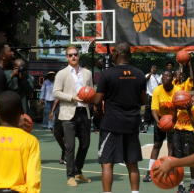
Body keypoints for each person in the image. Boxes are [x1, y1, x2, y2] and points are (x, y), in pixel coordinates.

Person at [94, 41, 146, 193]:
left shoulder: (108, 74)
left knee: (107, 163)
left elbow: (97, 100)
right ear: (129, 54)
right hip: (132, 124)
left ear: (115, 54)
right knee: (132, 163)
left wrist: (98, 109)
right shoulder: (139, 74)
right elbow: (143, 100)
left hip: (111, 124)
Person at [53, 46, 93, 187]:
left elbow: (91, 91)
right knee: (70, 146)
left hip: (83, 112)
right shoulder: (61, 74)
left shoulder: (87, 73)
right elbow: (56, 92)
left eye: (75, 54)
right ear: (67, 57)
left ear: (79, 56)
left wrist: (89, 99)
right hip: (68, 113)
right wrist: (72, 97)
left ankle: (78, 171)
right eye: (70, 55)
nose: (73, 57)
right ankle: (70, 176)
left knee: (85, 144)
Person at [143, 70, 181, 182]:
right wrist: (158, 122)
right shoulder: (157, 90)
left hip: (173, 120)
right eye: (163, 75)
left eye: (168, 75)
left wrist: (173, 122)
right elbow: (154, 108)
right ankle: (150, 171)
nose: (165, 77)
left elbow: (178, 108)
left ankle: (169, 168)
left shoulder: (177, 90)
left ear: (172, 78)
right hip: (160, 119)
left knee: (171, 145)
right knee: (157, 145)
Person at [172, 94, 194, 193]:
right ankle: (181, 185)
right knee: (178, 161)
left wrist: (190, 111)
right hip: (177, 133)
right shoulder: (181, 106)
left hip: (188, 134)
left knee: (191, 161)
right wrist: (175, 109)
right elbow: (173, 122)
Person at [142, 64, 161, 133]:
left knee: (154, 108)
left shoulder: (158, 76)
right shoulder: (148, 75)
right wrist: (151, 73)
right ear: (151, 68)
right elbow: (146, 80)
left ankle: (153, 122)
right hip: (149, 93)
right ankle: (146, 122)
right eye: (153, 68)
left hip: (155, 95)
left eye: (155, 68)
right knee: (147, 108)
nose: (154, 69)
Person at [49, 98, 66, 165]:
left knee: (69, 134)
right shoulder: (60, 87)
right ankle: (64, 150)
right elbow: (57, 97)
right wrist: (52, 111)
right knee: (57, 134)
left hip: (72, 109)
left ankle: (67, 155)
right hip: (60, 110)